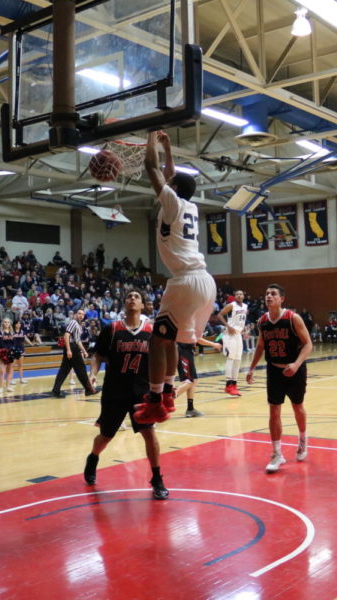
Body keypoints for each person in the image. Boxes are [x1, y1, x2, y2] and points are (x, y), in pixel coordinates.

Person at [134, 130, 216, 424]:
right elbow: (170, 175)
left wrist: (151, 141)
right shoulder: (189, 205)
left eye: (170, 182)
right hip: (205, 283)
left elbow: (151, 169)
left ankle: (156, 400)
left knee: (157, 342)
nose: (166, 181)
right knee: (169, 342)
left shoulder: (173, 203)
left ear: (173, 188)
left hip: (187, 281)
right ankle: (167, 394)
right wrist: (168, 150)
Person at [84, 290, 168, 499]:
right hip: (114, 390)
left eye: (136, 297)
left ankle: (157, 478)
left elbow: (162, 358)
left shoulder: (151, 329)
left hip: (142, 392)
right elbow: (98, 355)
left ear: (142, 305)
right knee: (106, 436)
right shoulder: (112, 329)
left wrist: (164, 386)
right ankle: (93, 458)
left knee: (149, 433)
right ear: (124, 304)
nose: (132, 298)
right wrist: (93, 374)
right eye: (129, 296)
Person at [246, 284, 313, 473]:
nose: (268, 296)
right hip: (274, 370)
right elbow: (260, 346)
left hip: (295, 369)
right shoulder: (262, 321)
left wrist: (296, 364)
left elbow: (308, 345)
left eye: (273, 294)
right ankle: (277, 453)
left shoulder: (293, 318)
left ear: (281, 299)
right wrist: (251, 368)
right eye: (266, 293)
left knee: (297, 406)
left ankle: (302, 440)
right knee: (274, 410)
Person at [51, 309, 97, 398]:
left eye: (83, 314)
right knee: (81, 369)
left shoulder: (79, 325)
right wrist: (68, 350)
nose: (81, 315)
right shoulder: (73, 322)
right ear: (75, 314)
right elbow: (66, 335)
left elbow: (78, 340)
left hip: (73, 346)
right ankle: (88, 390)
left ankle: (55, 391)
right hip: (72, 347)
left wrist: (84, 351)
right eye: (79, 313)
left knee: (64, 370)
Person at [175, 336, 221, 418]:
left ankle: (190, 408)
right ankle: (166, 402)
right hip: (183, 351)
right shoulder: (189, 324)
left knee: (194, 380)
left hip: (187, 351)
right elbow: (198, 339)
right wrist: (214, 344)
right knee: (189, 381)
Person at [217, 290, 249, 396]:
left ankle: (234, 384)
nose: (239, 295)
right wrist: (228, 326)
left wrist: (244, 330)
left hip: (238, 334)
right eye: (237, 294)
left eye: (241, 294)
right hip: (229, 334)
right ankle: (228, 385)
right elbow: (219, 315)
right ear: (234, 296)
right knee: (230, 358)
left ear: (243, 296)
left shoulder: (245, 306)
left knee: (238, 359)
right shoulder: (231, 305)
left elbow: (242, 320)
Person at [0, 318, 16, 395]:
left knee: (9, 371)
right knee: (2, 371)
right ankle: (0, 387)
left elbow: (13, 343)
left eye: (8, 322)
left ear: (10, 324)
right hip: (3, 353)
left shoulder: (12, 333)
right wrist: (5, 351)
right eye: (5, 322)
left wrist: (12, 351)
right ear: (3, 323)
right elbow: (0, 343)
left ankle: (8, 386)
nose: (7, 323)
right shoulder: (0, 332)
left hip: (10, 353)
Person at [11, 320, 30, 384]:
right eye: (17, 323)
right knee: (12, 365)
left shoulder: (22, 332)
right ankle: (11, 379)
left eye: (19, 323)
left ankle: (21, 379)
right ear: (14, 325)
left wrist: (31, 343)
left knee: (20, 365)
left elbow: (26, 338)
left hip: (21, 350)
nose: (18, 324)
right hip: (14, 350)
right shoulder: (12, 332)